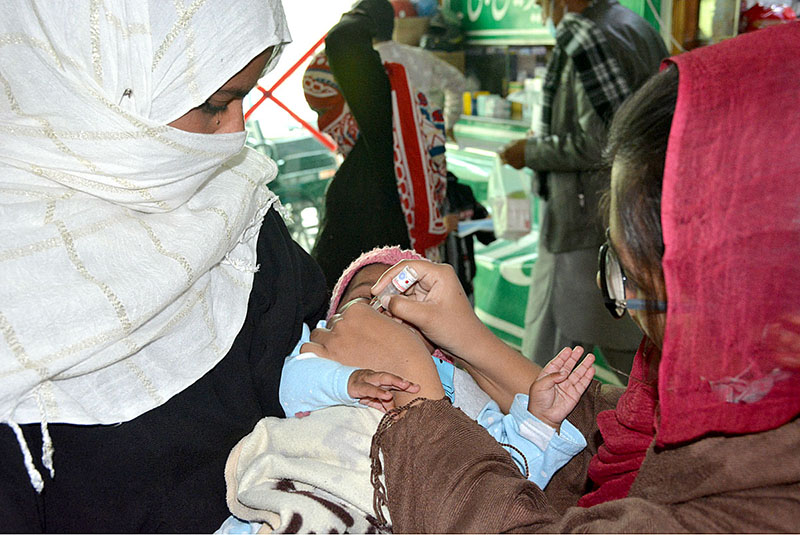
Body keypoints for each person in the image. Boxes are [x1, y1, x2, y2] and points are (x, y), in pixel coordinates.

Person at [304, 22, 800, 532]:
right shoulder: (730, 386)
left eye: (641, 284)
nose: (627, 305)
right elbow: (612, 430)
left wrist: (417, 404)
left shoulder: (766, 509)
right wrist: (470, 339)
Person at [0, 2, 328, 531]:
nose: (235, 135)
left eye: (243, 97)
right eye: (214, 102)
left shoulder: (231, 205)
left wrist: (365, 293)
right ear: (94, 82)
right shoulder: (18, 293)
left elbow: (319, 330)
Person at [221, 246, 593, 533]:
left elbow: (503, 471)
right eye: (368, 297)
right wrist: (345, 381)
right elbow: (291, 390)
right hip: (308, 489)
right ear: (335, 319)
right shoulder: (319, 355)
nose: (386, 309)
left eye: (407, 305)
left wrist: (538, 423)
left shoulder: (457, 390)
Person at [500, 0, 668, 379]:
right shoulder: (637, 26)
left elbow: (602, 142)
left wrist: (532, 151)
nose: (543, 10)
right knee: (636, 351)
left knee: (548, 356)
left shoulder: (583, 35)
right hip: (634, 215)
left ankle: (535, 435)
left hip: (581, 221)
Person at [304, 0, 448, 290]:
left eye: (326, 109)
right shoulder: (402, 145)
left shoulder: (383, 143)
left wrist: (367, 11)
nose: (324, 126)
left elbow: (342, 40)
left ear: (357, 100)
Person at [370, 2, 466, 140]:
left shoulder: (364, 64)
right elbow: (457, 82)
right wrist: (448, 123)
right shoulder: (419, 56)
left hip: (385, 146)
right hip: (425, 142)